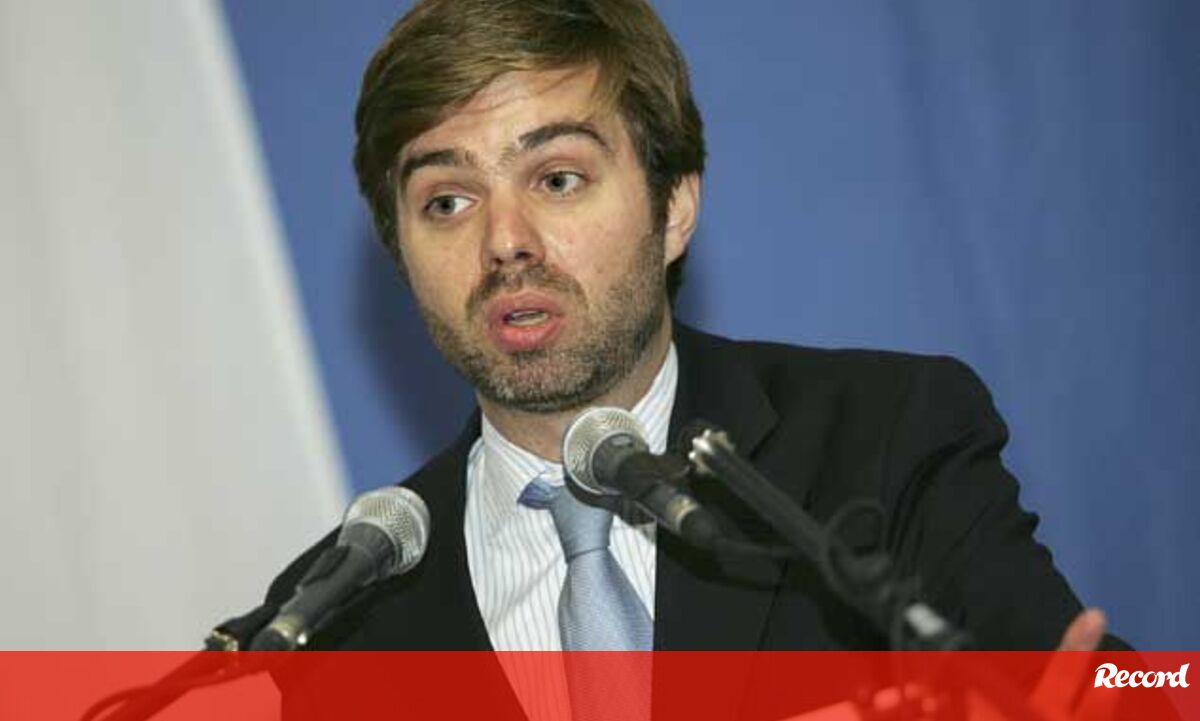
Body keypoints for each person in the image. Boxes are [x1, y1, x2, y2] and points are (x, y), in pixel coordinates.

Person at [254, 0, 1122, 716]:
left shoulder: (882, 435)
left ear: (673, 207)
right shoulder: (327, 618)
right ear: (401, 252)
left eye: (557, 179)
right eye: (446, 200)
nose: (505, 240)